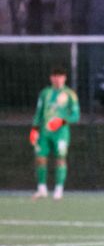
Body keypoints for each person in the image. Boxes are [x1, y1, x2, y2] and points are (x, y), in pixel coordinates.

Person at [30, 66, 79, 200]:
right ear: (51, 78)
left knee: (60, 159)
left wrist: (61, 121)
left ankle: (58, 189)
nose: (58, 79)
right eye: (55, 76)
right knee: (40, 158)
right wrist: (34, 129)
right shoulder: (45, 93)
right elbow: (38, 113)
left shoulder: (70, 94)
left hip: (61, 133)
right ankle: (42, 189)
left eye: (60, 76)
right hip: (45, 133)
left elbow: (76, 116)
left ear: (65, 78)